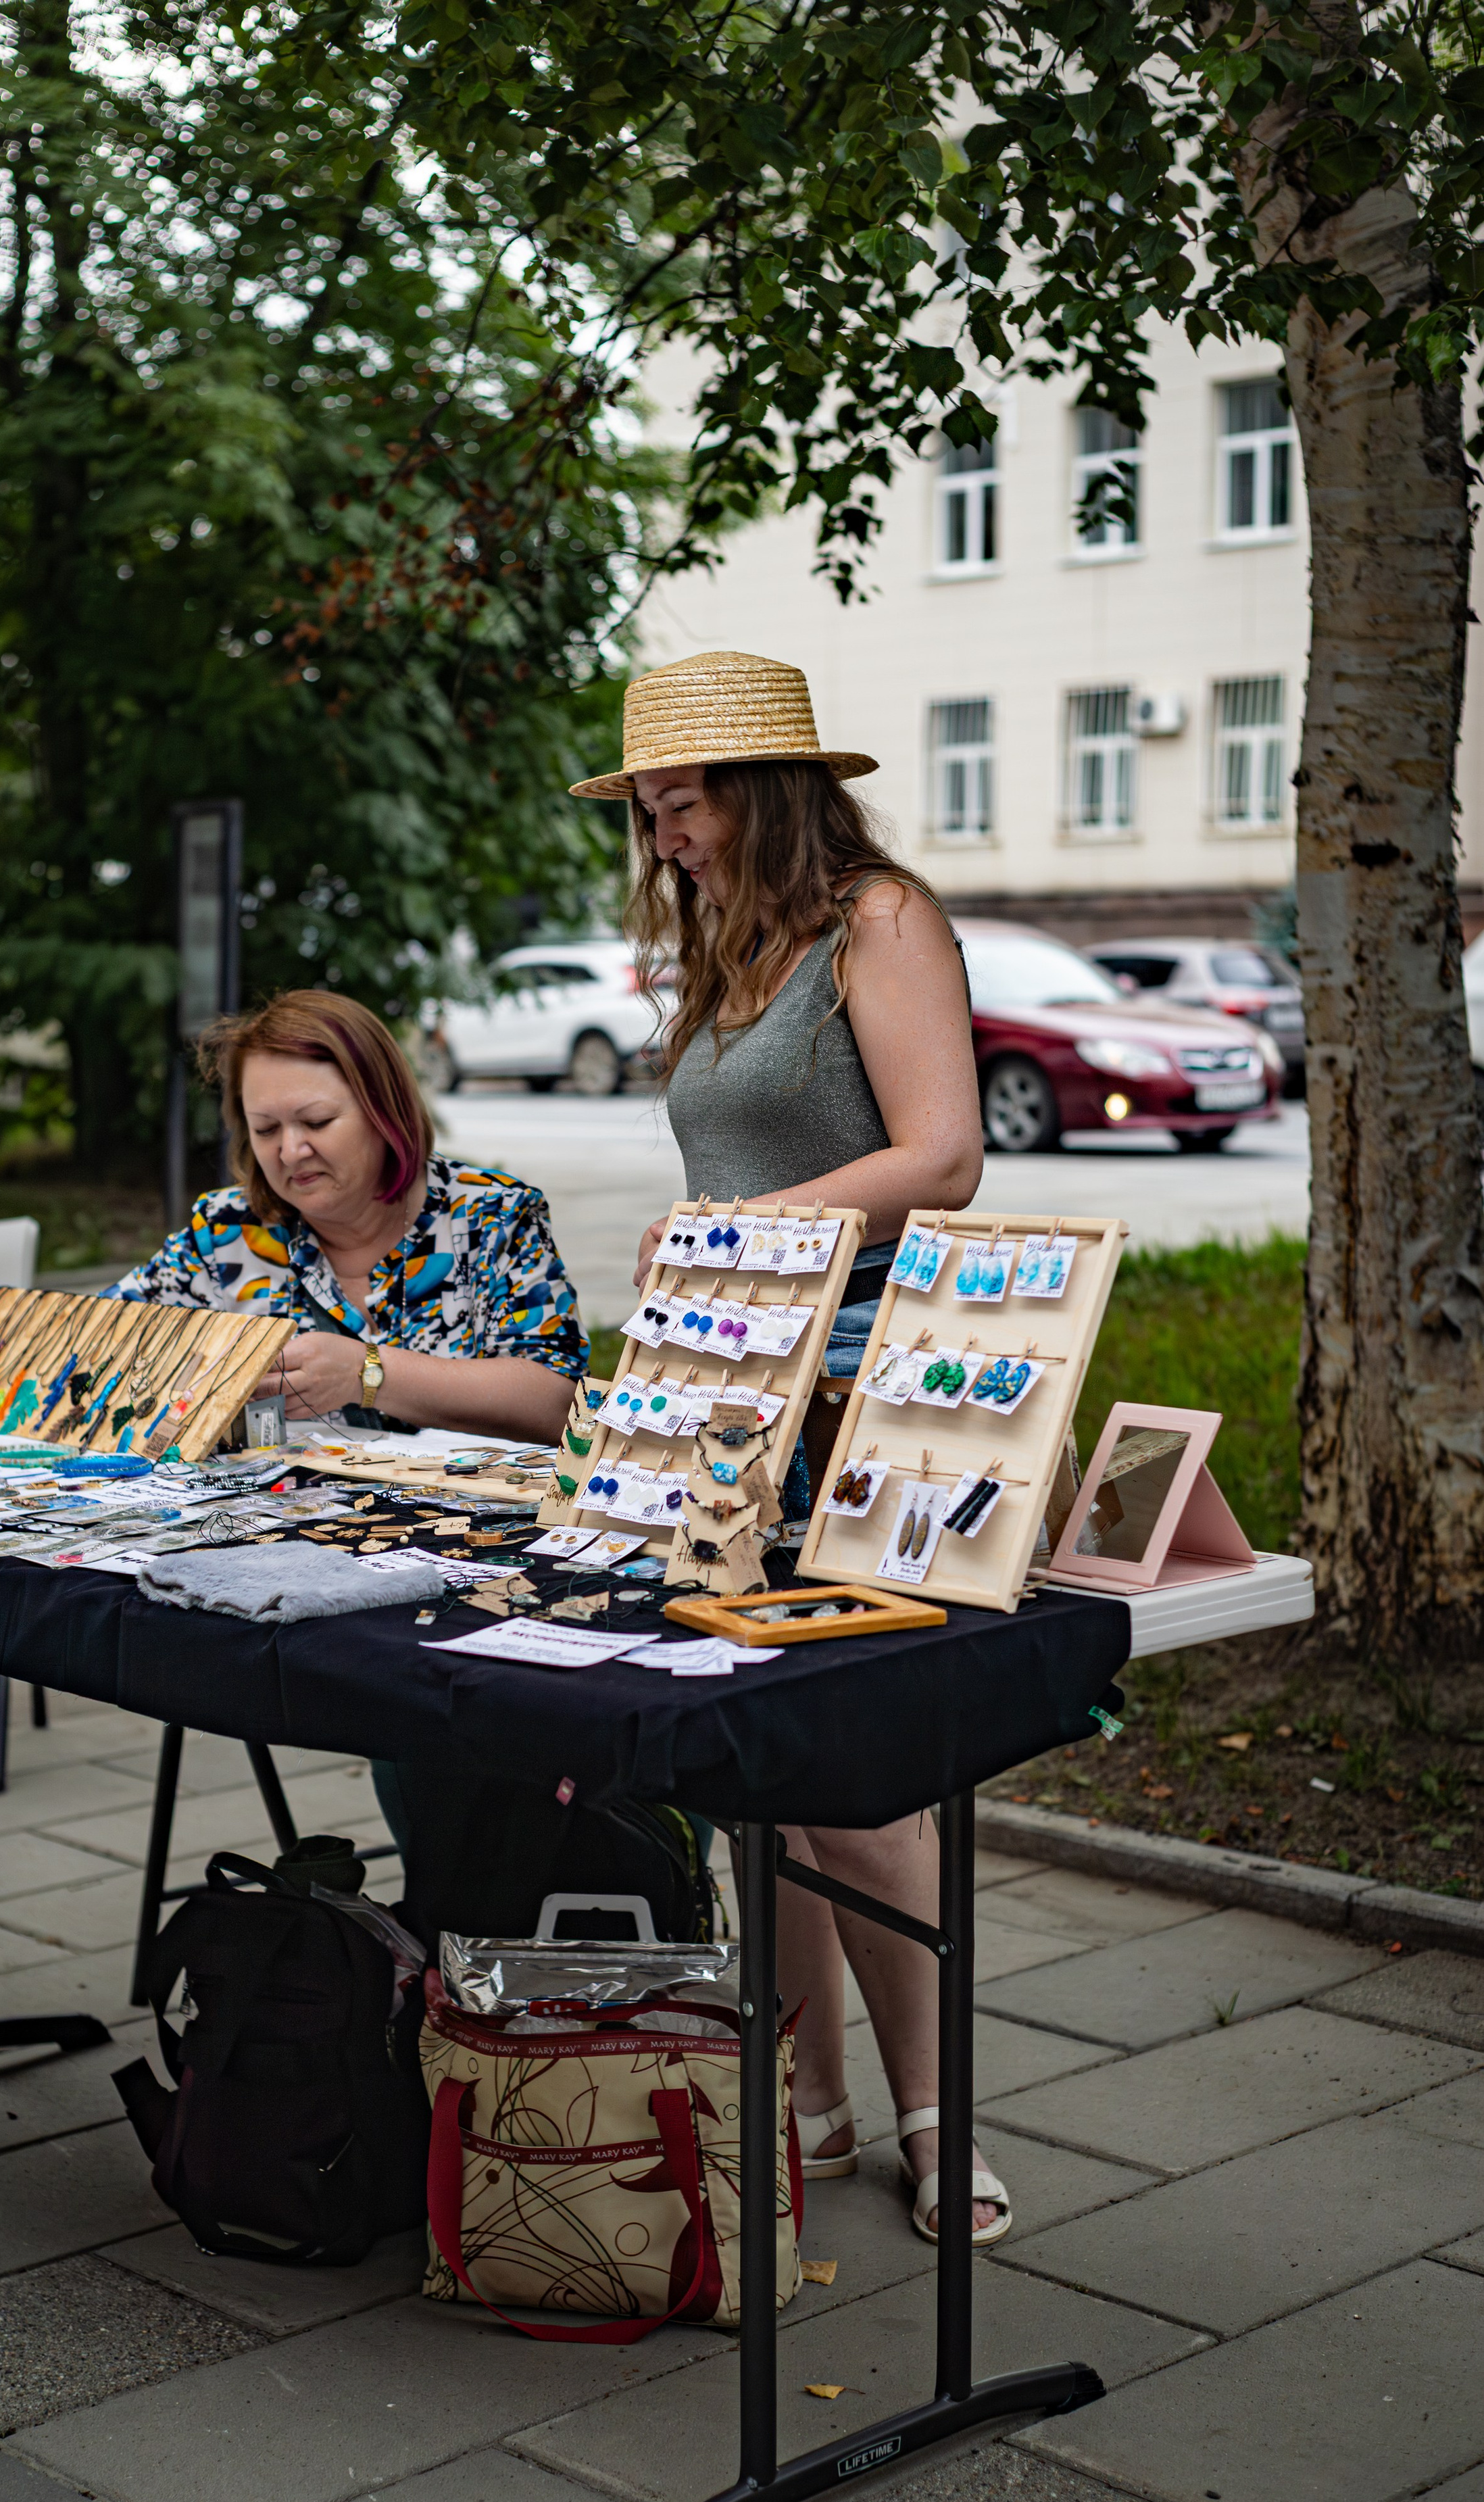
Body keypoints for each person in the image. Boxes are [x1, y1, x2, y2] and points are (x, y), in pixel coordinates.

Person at [569, 649, 1007, 2244]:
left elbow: (942, 1152)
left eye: (679, 801)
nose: (662, 834)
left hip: (873, 1391)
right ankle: (809, 2097)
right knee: (762, 1772)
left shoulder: (874, 920)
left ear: (760, 792)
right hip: (734, 1387)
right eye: (648, 808)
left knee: (859, 1779)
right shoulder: (732, 951)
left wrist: (732, 1222)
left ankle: (935, 2117)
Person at [106, 989, 584, 1445]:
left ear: (385, 1111)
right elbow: (96, 1346)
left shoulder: (491, 1217)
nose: (291, 1151)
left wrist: (366, 1373)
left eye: (316, 1122)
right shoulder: (225, 1231)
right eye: (266, 1129)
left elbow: (557, 1404)